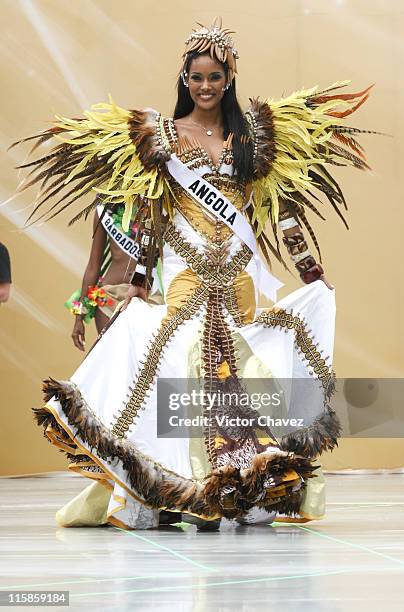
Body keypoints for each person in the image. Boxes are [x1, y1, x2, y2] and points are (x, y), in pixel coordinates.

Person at [13, 17, 376, 530]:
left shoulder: (252, 137)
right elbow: (155, 214)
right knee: (175, 364)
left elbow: (281, 207)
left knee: (241, 374)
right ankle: (169, 488)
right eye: (197, 78)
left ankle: (239, 487)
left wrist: (310, 268)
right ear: (185, 81)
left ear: (229, 79)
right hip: (185, 266)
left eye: (215, 77)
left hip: (235, 270)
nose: (206, 86)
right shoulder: (160, 136)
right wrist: (139, 277)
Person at [66, 204, 163, 351]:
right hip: (108, 297)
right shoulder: (104, 210)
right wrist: (78, 316)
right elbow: (93, 266)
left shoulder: (160, 210)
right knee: (109, 357)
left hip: (145, 297)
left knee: (139, 363)